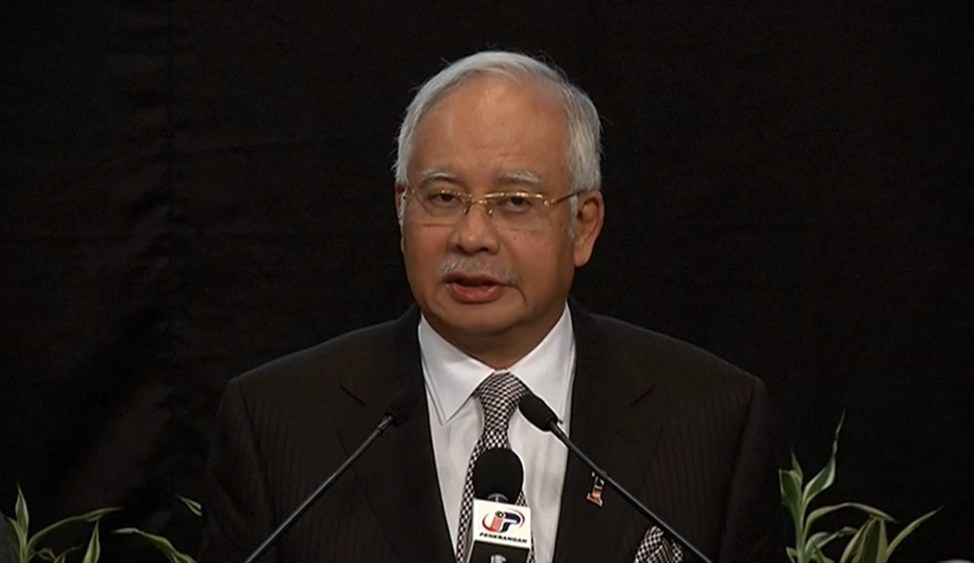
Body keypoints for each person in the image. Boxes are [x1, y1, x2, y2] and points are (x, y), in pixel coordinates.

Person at [199, 51, 780, 563]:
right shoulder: (278, 425)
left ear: (583, 225)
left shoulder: (710, 420)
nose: (473, 236)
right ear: (402, 209)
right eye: (443, 197)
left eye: (516, 202)